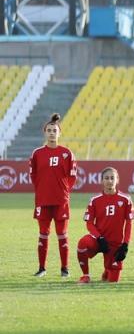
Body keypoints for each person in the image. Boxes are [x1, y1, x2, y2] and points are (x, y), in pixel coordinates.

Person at [29, 113, 77, 277]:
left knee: (62, 234)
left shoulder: (67, 153)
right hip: (43, 200)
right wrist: (43, 190)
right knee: (43, 234)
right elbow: (33, 176)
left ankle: (65, 269)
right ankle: (42, 268)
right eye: (49, 130)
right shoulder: (37, 154)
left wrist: (63, 191)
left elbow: (72, 176)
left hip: (60, 201)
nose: (51, 133)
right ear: (45, 132)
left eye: (54, 130)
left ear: (59, 133)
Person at [77, 167, 134, 284]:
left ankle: (107, 270)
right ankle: (86, 276)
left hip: (115, 243)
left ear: (117, 180)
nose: (109, 181)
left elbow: (129, 223)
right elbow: (89, 224)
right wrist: (99, 237)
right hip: (98, 240)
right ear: (102, 181)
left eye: (112, 178)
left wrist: (125, 244)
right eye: (106, 178)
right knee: (82, 243)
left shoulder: (126, 200)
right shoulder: (94, 200)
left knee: (112, 281)